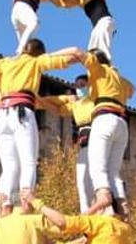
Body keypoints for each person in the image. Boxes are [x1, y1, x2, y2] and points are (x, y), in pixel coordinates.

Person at [0, 40, 81, 212]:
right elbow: (68, 59)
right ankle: (26, 204)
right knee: (28, 161)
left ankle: (4, 207)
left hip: (2, 115)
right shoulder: (35, 62)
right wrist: (76, 55)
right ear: (39, 53)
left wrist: (0, 86)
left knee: (9, 166)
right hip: (21, 113)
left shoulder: (5, 63)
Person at [81, 49, 134, 214]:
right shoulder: (118, 78)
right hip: (121, 123)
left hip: (103, 119)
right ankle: (122, 204)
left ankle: (104, 201)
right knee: (113, 172)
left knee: (97, 168)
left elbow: (79, 55)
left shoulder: (98, 70)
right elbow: (132, 90)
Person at [40, 74, 95, 212]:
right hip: (84, 142)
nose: (79, 88)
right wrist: (39, 100)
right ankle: (86, 213)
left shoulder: (95, 100)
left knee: (98, 177)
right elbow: (57, 109)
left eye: (82, 85)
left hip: (97, 136)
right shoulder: (76, 105)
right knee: (82, 180)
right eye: (77, 86)